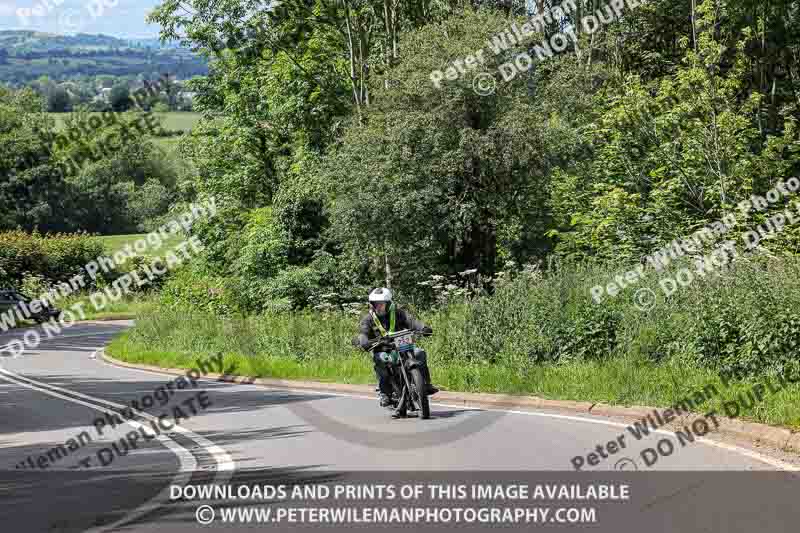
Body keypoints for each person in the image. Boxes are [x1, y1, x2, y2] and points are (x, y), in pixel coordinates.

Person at [357, 287, 439, 407]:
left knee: (419, 353)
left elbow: (412, 321)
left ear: (388, 303)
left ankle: (425, 384)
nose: (378, 306)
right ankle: (385, 393)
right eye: (375, 304)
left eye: (381, 304)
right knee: (382, 360)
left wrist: (423, 328)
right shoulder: (368, 319)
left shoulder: (399, 313)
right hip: (383, 349)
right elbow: (363, 333)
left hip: (403, 347)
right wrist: (363, 341)